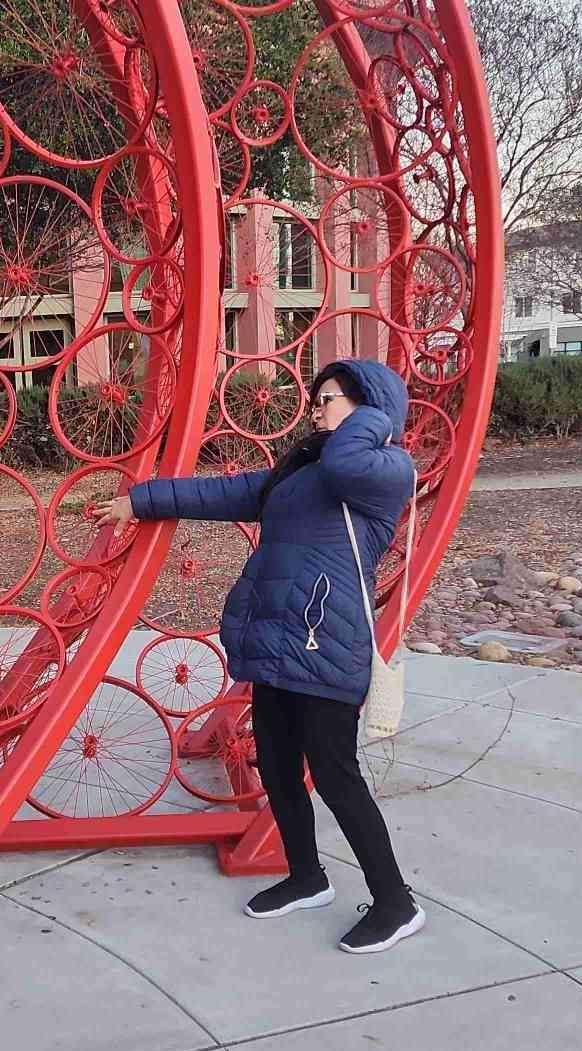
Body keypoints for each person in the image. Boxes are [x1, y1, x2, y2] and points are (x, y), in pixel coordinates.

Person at [97, 359, 425, 954]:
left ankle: (395, 903)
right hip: (277, 637)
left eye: (331, 398)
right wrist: (140, 500)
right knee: (275, 764)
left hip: (326, 641)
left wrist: (373, 415)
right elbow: (225, 492)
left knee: (335, 775)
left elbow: (350, 460)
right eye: (318, 398)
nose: (317, 408)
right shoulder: (303, 471)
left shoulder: (382, 468)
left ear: (370, 408)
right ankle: (306, 876)